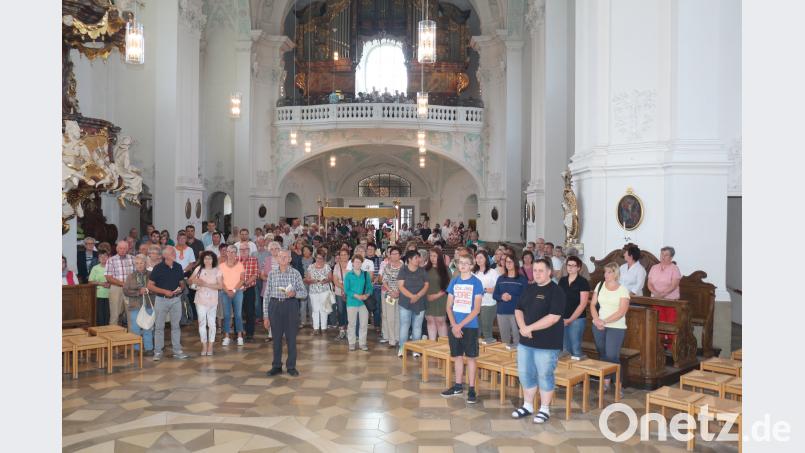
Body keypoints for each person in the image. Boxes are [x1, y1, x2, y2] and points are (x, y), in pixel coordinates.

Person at [511, 258, 566, 424]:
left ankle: (544, 409)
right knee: (525, 373)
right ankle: (528, 405)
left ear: (549, 272)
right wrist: (523, 327)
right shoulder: (529, 288)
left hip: (547, 343)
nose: (537, 274)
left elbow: (553, 317)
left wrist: (529, 328)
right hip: (526, 342)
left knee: (544, 375)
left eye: (541, 270)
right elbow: (518, 309)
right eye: (535, 270)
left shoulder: (556, 291)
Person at [441, 254, 484, 404]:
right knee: (457, 356)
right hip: (454, 326)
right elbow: (448, 306)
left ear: (472, 266)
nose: (463, 265)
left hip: (470, 326)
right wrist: (454, 325)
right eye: (461, 263)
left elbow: (476, 309)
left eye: (466, 263)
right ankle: (458, 386)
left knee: (471, 358)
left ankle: (471, 389)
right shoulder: (454, 281)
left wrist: (460, 325)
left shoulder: (476, 283)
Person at [263, 250, 308, 376]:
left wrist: (295, 293)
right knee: (276, 338)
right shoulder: (272, 274)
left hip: (290, 306)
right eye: (280, 256)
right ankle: (276, 365)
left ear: (290, 259)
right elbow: (266, 295)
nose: (283, 259)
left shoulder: (295, 273)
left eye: (286, 257)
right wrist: (265, 316)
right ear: (277, 259)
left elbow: (304, 293)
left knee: (291, 338)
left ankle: (291, 366)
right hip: (275, 306)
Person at [590, 262, 630, 393]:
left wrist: (604, 321)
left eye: (609, 272)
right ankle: (606, 383)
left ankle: (618, 385)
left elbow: (621, 312)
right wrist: (597, 319)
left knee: (612, 356)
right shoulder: (600, 285)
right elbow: (593, 304)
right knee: (603, 354)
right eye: (605, 272)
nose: (606, 275)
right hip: (599, 325)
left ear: (615, 273)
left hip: (616, 327)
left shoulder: (623, 290)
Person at [147, 246, 190, 360]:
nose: (175, 254)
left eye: (174, 252)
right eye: (172, 253)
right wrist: (164, 291)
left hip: (176, 299)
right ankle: (158, 352)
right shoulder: (158, 268)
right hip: (161, 300)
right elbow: (150, 286)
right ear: (165, 255)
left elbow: (182, 282)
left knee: (176, 326)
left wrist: (181, 288)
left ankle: (177, 351)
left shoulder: (178, 266)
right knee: (159, 327)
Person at [647, 246, 682, 348]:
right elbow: (649, 284)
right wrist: (655, 293)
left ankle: (672, 348)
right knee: (658, 323)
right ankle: (659, 347)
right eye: (662, 254)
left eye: (666, 255)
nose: (663, 257)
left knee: (670, 324)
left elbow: (674, 285)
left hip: (670, 302)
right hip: (656, 300)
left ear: (671, 257)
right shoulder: (654, 268)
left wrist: (662, 294)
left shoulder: (674, 269)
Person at [189, 251, 223, 356]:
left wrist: (205, 284)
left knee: (212, 324)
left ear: (213, 260)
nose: (207, 260)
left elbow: (220, 286)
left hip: (212, 300)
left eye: (210, 258)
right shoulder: (198, 269)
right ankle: (204, 345)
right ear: (203, 260)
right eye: (205, 258)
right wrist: (195, 281)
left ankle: (210, 346)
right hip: (200, 300)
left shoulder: (217, 271)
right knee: (202, 323)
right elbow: (189, 281)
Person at [397, 250, 430, 357]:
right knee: (404, 326)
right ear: (409, 259)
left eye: (419, 257)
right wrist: (412, 296)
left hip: (420, 302)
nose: (418, 259)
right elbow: (400, 286)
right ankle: (402, 348)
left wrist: (418, 296)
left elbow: (426, 285)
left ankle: (416, 349)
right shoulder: (403, 270)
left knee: (417, 327)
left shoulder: (422, 270)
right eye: (416, 258)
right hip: (405, 302)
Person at [493, 252, 528, 350]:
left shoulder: (522, 279)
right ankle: (505, 358)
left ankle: (518, 358)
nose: (508, 264)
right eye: (506, 262)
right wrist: (501, 297)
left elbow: (526, 298)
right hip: (502, 312)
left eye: (510, 262)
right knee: (505, 340)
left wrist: (512, 297)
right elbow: (495, 295)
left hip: (516, 313)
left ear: (515, 263)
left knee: (517, 339)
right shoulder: (501, 278)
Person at [558, 256, 590, 360]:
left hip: (577, 319)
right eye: (569, 265)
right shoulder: (562, 280)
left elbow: (583, 304)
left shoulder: (583, 282)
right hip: (563, 318)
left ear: (578, 268)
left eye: (573, 265)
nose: (570, 267)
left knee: (575, 349)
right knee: (565, 350)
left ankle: (580, 369)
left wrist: (570, 320)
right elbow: (559, 300)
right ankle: (567, 370)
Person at [123, 254, 155, 355]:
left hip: (148, 305)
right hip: (134, 305)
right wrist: (138, 292)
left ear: (145, 263)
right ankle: (136, 348)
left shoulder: (151, 275)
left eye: (141, 263)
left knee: (147, 327)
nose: (139, 265)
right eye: (137, 263)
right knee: (135, 328)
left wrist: (149, 290)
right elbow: (125, 291)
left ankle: (149, 348)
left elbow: (157, 289)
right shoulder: (130, 276)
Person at [344, 254, 373, 351]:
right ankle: (352, 343)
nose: (358, 264)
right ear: (352, 263)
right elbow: (346, 290)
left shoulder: (365, 274)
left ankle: (362, 343)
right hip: (352, 302)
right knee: (352, 324)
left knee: (364, 324)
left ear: (362, 263)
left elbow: (370, 287)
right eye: (356, 262)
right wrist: (357, 296)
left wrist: (366, 295)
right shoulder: (348, 275)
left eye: (360, 262)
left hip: (363, 303)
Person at [220, 245, 246, 346]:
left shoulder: (240, 265)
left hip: (237, 292)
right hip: (225, 292)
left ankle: (240, 336)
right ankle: (226, 337)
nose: (231, 254)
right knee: (226, 315)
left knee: (238, 315)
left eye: (233, 252)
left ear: (236, 254)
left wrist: (234, 290)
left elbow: (242, 280)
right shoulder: (221, 266)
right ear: (226, 253)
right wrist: (227, 291)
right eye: (229, 252)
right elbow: (220, 281)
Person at [104, 240, 134, 326]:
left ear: (127, 249)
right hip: (116, 289)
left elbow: (137, 274)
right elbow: (108, 277)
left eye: (124, 248)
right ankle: (113, 334)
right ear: (117, 249)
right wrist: (123, 284)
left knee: (131, 315)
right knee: (115, 315)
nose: (122, 250)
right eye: (120, 248)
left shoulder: (133, 259)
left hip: (130, 289)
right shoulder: (111, 260)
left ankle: (132, 334)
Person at [473, 250, 499, 345]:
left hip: (489, 303)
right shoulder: (473, 272)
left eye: (481, 257)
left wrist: (486, 290)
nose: (478, 260)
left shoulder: (492, 272)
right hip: (476, 304)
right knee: (476, 328)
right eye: (477, 258)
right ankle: (476, 349)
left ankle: (489, 349)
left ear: (486, 259)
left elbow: (497, 287)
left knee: (486, 328)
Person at [424, 248, 450, 341]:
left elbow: (449, 285)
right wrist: (426, 296)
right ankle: (432, 344)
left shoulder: (445, 269)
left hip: (441, 298)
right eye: (431, 256)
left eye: (435, 256)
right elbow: (421, 284)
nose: (432, 258)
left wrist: (436, 295)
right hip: (427, 298)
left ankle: (443, 345)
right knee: (430, 321)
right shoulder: (425, 269)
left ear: (440, 257)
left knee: (440, 321)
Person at [305, 250, 332, 335]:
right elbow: (307, 279)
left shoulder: (327, 266)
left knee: (324, 310)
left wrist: (325, 280)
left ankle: (324, 328)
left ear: (324, 258)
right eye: (317, 258)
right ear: (315, 257)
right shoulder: (310, 267)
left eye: (321, 258)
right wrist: (312, 281)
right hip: (313, 291)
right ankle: (316, 328)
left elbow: (330, 278)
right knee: (315, 310)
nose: (319, 260)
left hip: (324, 291)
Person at [381, 246, 403, 348]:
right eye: (392, 254)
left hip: (402, 295)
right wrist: (391, 291)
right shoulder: (387, 267)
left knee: (399, 317)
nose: (394, 256)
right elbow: (384, 281)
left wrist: (399, 292)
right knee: (390, 317)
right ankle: (392, 340)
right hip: (390, 295)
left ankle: (398, 338)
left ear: (400, 255)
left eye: (396, 254)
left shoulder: (404, 267)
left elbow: (406, 281)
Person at [238, 244, 260, 342]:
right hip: (237, 289)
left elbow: (255, 274)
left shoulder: (254, 260)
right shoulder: (235, 260)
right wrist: (239, 285)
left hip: (249, 289)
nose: (243, 251)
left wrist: (245, 284)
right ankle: (238, 333)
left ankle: (249, 334)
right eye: (241, 249)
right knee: (238, 312)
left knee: (250, 312)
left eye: (245, 249)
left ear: (249, 250)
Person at [331, 248, 351, 340]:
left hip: (350, 293)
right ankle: (342, 330)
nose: (343, 256)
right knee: (340, 311)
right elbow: (335, 280)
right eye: (341, 255)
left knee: (349, 311)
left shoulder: (352, 265)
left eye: (345, 254)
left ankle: (349, 330)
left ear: (348, 256)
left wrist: (347, 289)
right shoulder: (336, 266)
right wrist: (343, 288)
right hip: (339, 292)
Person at [88, 250, 111, 326]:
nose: (103, 258)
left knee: (109, 314)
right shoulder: (95, 268)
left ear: (108, 257)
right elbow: (90, 281)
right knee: (100, 315)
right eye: (101, 256)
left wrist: (110, 284)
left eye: (105, 256)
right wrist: (101, 283)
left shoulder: (111, 267)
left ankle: (108, 330)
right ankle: (100, 330)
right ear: (98, 258)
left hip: (110, 295)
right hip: (99, 295)